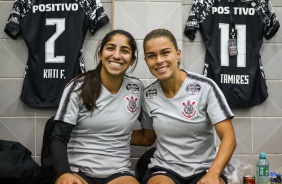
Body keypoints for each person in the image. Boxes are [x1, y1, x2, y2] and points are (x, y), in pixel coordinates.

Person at [131, 29, 237, 184]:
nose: (159, 60)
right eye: (152, 56)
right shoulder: (148, 95)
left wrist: (213, 174)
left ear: (178, 54)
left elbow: (229, 138)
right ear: (146, 60)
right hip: (164, 169)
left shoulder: (205, 87)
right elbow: (148, 137)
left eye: (165, 53)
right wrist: (106, 133)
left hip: (204, 168)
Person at [50, 29, 143, 184]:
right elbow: (58, 137)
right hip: (77, 171)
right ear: (100, 54)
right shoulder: (78, 87)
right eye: (110, 48)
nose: (117, 55)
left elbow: (148, 134)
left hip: (119, 172)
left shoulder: (137, 88)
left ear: (132, 60)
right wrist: (64, 173)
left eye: (125, 51)